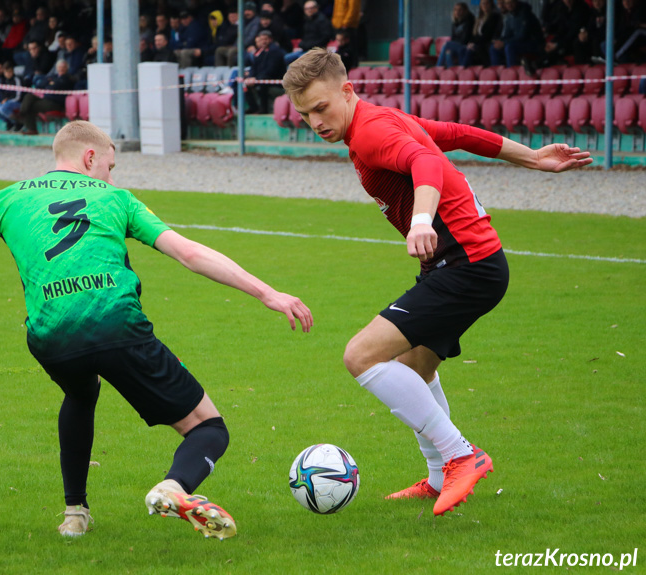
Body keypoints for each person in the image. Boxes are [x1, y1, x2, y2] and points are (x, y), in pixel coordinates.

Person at [0, 120, 313, 539]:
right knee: (209, 428)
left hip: (50, 339)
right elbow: (190, 253)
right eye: (110, 165)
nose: (111, 175)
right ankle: (172, 487)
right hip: (117, 327)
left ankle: (74, 514)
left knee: (81, 393)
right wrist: (268, 293)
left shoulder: (5, 198)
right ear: (90, 158)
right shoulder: (115, 198)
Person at [282, 48, 591, 517]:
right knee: (414, 368)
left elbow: (425, 164)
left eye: (321, 108)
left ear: (347, 91)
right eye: (305, 114)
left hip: (464, 262)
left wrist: (422, 220)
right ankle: (437, 475)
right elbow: (455, 134)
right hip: (468, 263)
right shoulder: (380, 118)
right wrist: (532, 158)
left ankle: (461, 455)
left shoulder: (370, 132)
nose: (315, 121)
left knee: (361, 356)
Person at [19, 59, 75, 135]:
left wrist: (50, 83)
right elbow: (40, 84)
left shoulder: (68, 78)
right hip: (45, 99)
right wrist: (50, 83)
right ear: (57, 68)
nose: (61, 69)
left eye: (63, 67)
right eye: (60, 67)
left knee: (31, 106)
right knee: (29, 96)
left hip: (55, 103)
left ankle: (31, 128)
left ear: (67, 68)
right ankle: (22, 112)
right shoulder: (53, 76)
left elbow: (56, 86)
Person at [244, 30, 286, 114]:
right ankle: (254, 108)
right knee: (244, 82)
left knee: (263, 83)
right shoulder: (261, 52)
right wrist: (250, 78)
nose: (263, 41)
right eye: (261, 39)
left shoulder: (276, 52)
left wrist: (255, 79)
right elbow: (254, 67)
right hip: (261, 78)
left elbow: (271, 70)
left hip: (275, 82)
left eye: (265, 39)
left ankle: (264, 110)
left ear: (270, 40)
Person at [284, 1, 334, 65]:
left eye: (311, 8)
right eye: (306, 9)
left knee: (298, 60)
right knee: (287, 57)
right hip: (305, 49)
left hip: (317, 50)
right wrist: (302, 45)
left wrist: (310, 45)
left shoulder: (322, 21)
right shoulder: (307, 20)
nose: (308, 10)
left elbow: (325, 37)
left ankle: (294, 74)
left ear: (316, 8)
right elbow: (305, 37)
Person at [436, 3, 476, 68]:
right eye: (455, 10)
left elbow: (465, 39)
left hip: (465, 45)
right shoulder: (455, 23)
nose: (457, 12)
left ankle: (438, 67)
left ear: (465, 11)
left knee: (447, 45)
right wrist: (452, 46)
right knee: (448, 52)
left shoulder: (469, 21)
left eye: (460, 10)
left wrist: (452, 45)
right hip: (456, 46)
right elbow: (453, 38)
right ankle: (452, 72)